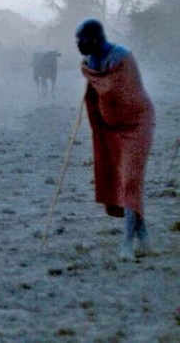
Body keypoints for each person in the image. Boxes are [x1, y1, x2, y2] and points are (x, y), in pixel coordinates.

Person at [75, 19, 155, 261]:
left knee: (131, 180)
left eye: (83, 40)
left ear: (96, 38)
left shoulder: (121, 56)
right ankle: (144, 239)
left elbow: (120, 91)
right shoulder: (90, 62)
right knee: (123, 180)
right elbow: (98, 90)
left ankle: (127, 244)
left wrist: (98, 84)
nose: (79, 45)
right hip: (112, 127)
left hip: (138, 122)